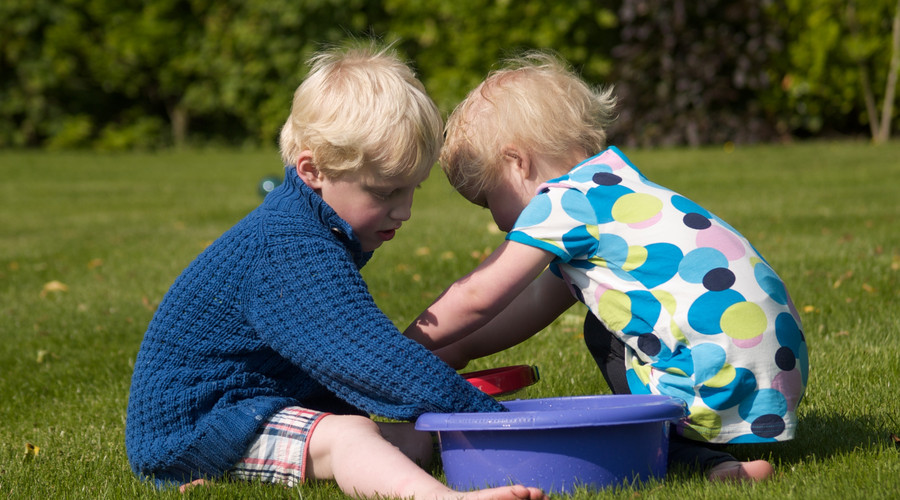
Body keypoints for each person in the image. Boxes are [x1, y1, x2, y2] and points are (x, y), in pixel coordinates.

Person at [125, 42, 547, 500]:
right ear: (314, 170)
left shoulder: (306, 223)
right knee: (350, 438)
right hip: (203, 426)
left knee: (413, 442)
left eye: (412, 190)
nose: (403, 211)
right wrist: (489, 419)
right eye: (385, 192)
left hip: (251, 401)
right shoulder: (288, 250)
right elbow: (373, 363)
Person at [404, 52, 808, 483]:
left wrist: (400, 348)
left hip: (713, 371)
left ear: (516, 162)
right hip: (775, 370)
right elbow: (539, 301)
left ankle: (695, 457)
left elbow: (476, 297)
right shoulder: (614, 189)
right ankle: (727, 437)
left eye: (488, 200)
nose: (497, 221)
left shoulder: (560, 202)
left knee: (602, 331)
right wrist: (460, 348)